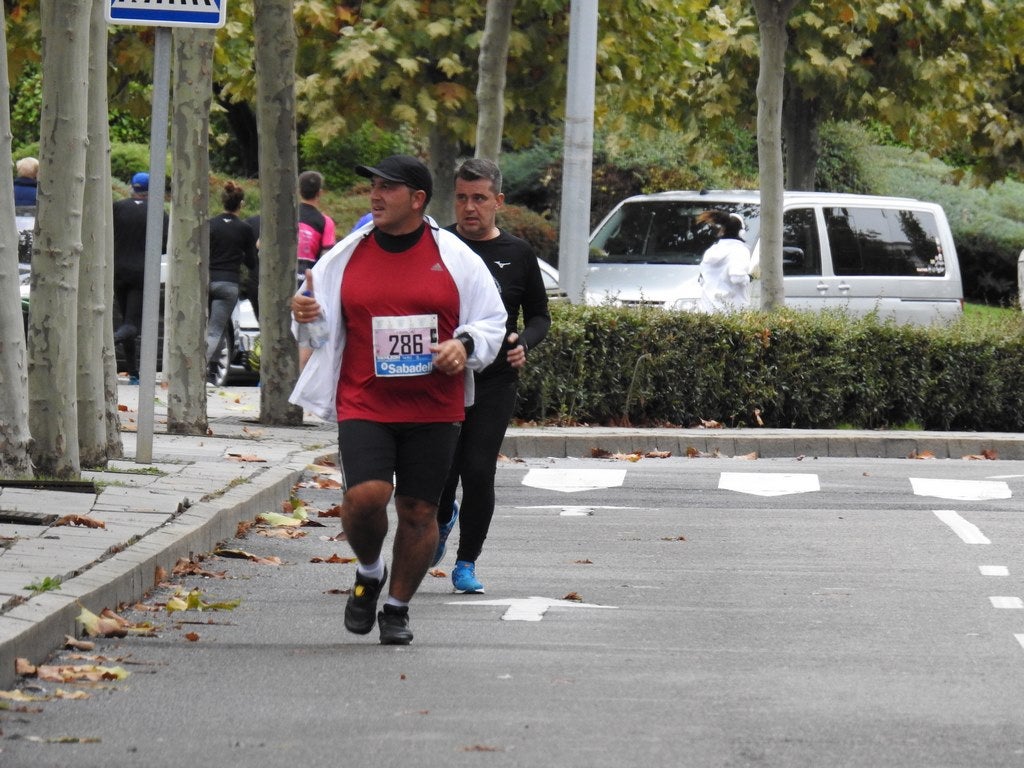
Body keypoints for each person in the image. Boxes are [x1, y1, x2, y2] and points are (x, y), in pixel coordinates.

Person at [288, 154, 507, 645]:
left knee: (418, 511)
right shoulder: (347, 254)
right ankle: (369, 571)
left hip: (434, 406)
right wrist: (304, 313)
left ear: (417, 199)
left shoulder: (454, 255)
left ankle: (397, 607)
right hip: (365, 399)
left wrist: (463, 345)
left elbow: (492, 321)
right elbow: (318, 326)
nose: (375, 195)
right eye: (374, 186)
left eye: (388, 187)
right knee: (366, 497)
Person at [433, 158, 551, 593]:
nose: (470, 207)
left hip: (495, 379)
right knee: (442, 472)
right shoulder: (438, 244)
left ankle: (467, 563)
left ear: (498, 201)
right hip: (442, 377)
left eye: (479, 198)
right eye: (462, 198)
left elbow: (540, 316)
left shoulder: (517, 254)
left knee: (478, 471)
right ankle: (443, 517)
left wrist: (524, 343)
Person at [112, 171, 167, 384]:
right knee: (132, 324)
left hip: (118, 271)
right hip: (142, 273)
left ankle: (134, 371)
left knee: (126, 318)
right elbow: (164, 245)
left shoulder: (117, 208)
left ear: (131, 188)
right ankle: (108, 343)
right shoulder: (158, 213)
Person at [206, 181, 257, 380]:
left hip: (208, 281)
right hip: (229, 283)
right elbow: (251, 262)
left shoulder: (211, 224)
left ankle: (211, 371)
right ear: (241, 204)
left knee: (210, 327)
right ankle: (203, 371)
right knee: (217, 329)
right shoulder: (244, 229)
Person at [696, 209, 752, 312]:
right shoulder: (740, 250)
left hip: (708, 308)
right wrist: (748, 278)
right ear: (741, 232)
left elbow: (702, 278)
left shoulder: (712, 250)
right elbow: (737, 277)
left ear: (722, 230)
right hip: (731, 310)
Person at [297, 170, 336, 277]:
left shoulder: (285, 215)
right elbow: (327, 258)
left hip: (282, 277)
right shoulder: (326, 221)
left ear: (299, 190)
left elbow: (260, 244)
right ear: (320, 193)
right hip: (308, 280)